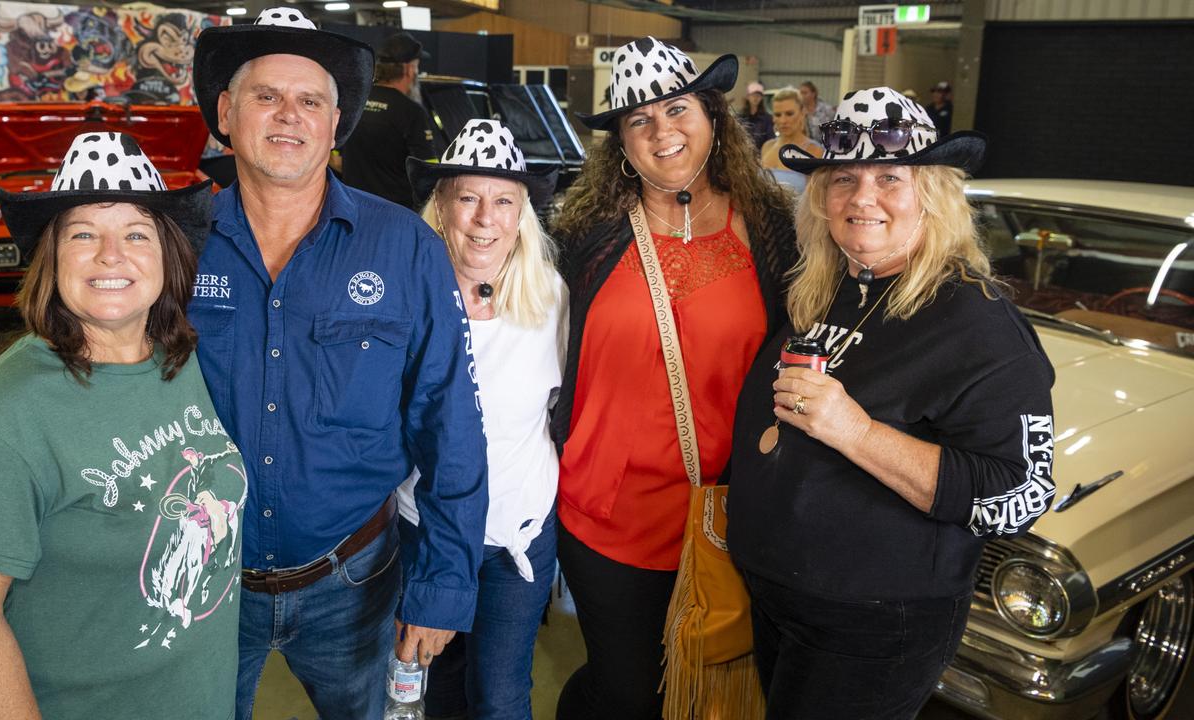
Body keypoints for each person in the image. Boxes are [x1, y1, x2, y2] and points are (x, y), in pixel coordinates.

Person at [190, 10, 488, 720]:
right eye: (266, 96)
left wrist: (443, 585)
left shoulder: (405, 247)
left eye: (311, 100)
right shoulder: (174, 243)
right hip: (201, 586)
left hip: (354, 584)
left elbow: (451, 422)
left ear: (336, 122)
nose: (289, 116)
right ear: (227, 114)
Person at [728, 87, 1056, 719]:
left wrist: (855, 432)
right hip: (781, 596)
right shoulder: (826, 284)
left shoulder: (975, 318)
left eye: (889, 178)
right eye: (843, 177)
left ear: (930, 196)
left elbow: (1020, 496)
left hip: (874, 621)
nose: (863, 197)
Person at [0, 132, 246, 719]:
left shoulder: (190, 361)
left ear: (169, 254)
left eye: (137, 233)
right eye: (84, 234)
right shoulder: (4, 416)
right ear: (53, 256)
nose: (111, 255)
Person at [552, 36, 797, 719]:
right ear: (621, 144)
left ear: (713, 118)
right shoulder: (588, 236)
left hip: (727, 516)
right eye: (639, 120)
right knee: (626, 688)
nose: (663, 131)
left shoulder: (772, 231)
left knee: (704, 690)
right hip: (607, 517)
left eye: (678, 109)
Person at [398, 119, 566, 720]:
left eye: (503, 201)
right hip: (423, 526)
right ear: (440, 207)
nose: (484, 217)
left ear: (523, 215)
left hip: (516, 533)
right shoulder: (404, 300)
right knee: (432, 687)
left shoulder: (551, 300)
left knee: (498, 697)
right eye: (467, 197)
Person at [341, 31, 437, 209]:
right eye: (417, 67)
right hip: (393, 214)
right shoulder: (411, 111)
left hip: (350, 206)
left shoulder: (356, 102)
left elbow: (335, 158)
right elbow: (427, 170)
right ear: (409, 69)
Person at [760, 87, 822, 171]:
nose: (783, 120)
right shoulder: (767, 147)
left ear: (802, 113)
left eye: (789, 114)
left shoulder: (814, 151)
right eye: (778, 115)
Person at [738, 81, 774, 151]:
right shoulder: (740, 117)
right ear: (748, 97)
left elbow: (770, 139)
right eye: (753, 95)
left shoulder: (767, 119)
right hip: (743, 154)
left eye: (758, 95)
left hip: (761, 155)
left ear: (761, 98)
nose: (755, 98)